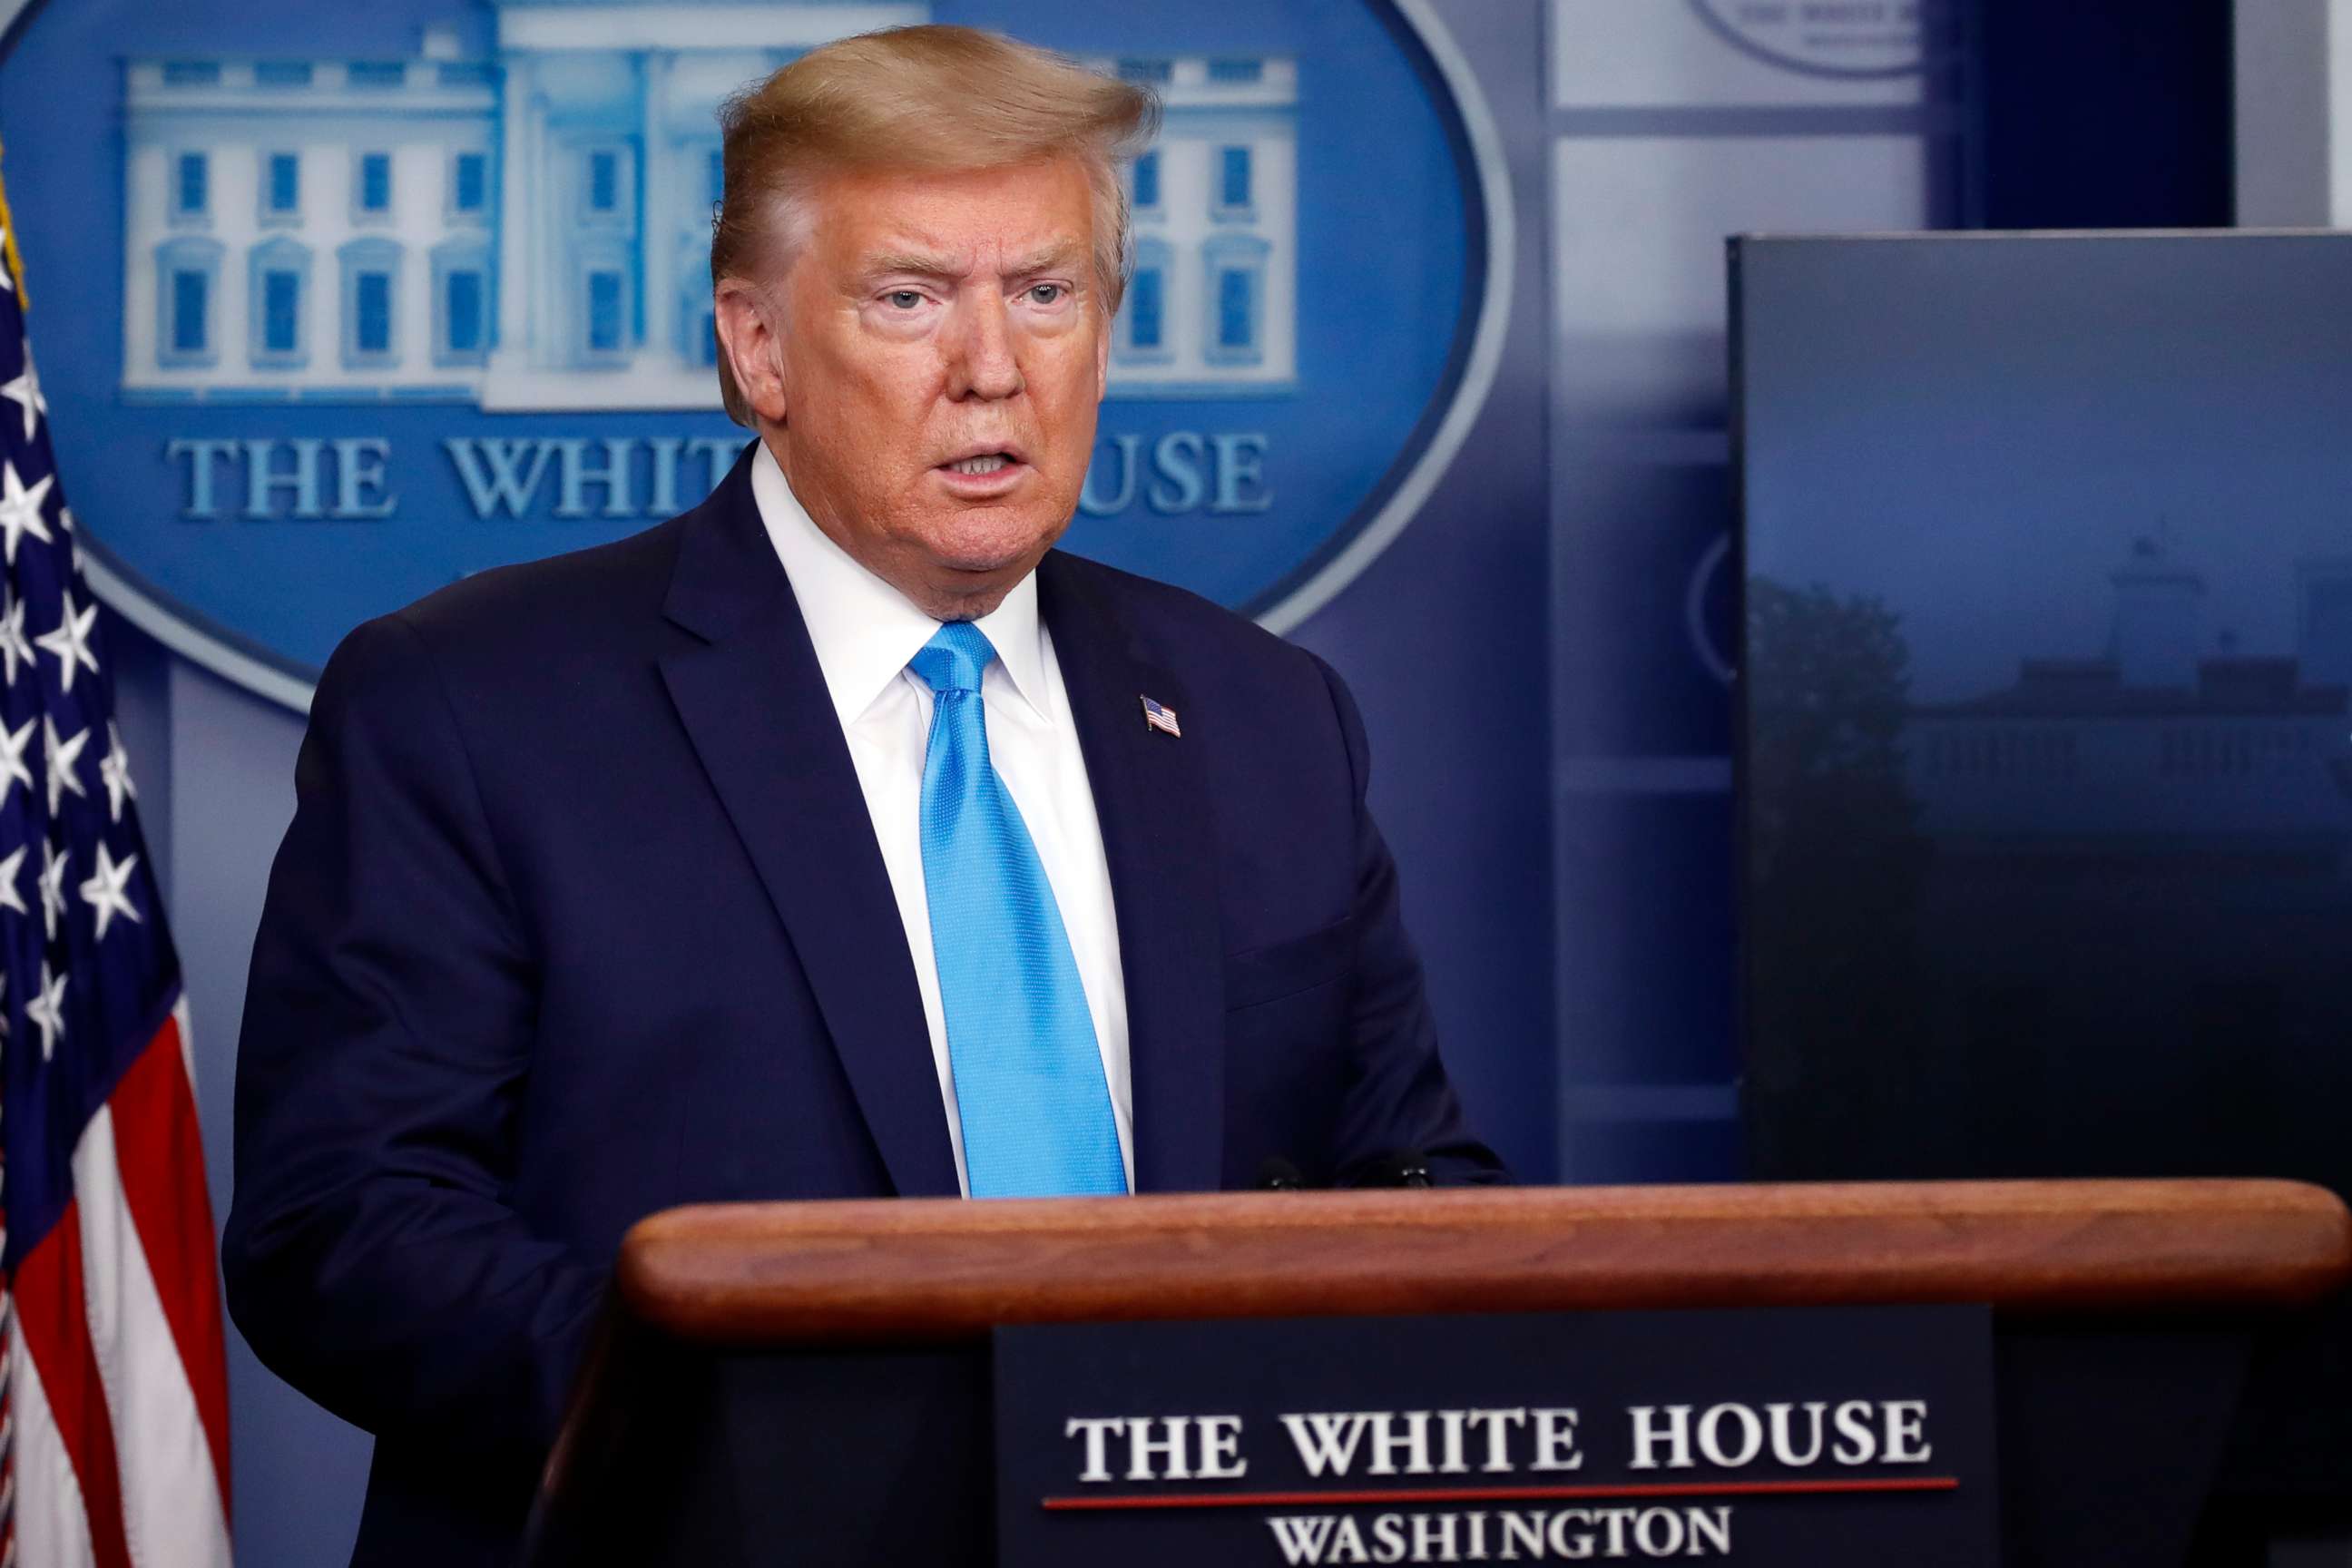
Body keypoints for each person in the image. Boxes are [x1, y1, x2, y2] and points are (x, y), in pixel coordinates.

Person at [223, 24, 1504, 1566]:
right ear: (757, 349)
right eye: (910, 300)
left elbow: (1407, 1175)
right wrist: (779, 1442)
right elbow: (347, 1226)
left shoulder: (1259, 714)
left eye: (1047, 294)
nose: (992, 367)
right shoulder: (474, 704)